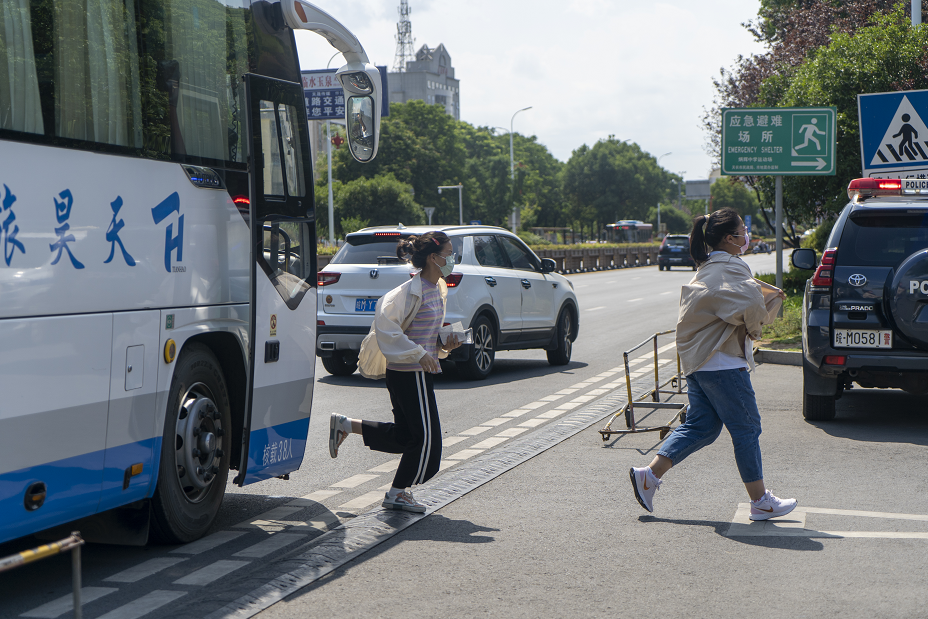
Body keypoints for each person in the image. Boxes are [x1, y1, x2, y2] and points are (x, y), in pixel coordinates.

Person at [630, 208, 797, 521]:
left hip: (698, 360)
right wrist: (756, 324)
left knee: (702, 426)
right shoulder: (732, 264)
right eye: (742, 232)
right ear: (729, 239)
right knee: (747, 427)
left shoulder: (706, 266)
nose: (746, 236)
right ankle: (760, 500)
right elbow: (749, 302)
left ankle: (648, 477)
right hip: (721, 362)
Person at [328, 231, 462, 513]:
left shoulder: (438, 288)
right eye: (449, 253)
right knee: (426, 441)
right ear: (433, 258)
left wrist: (444, 343)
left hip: (419, 370)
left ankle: (346, 424)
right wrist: (420, 354)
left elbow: (426, 334)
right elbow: (386, 329)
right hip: (408, 372)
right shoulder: (407, 292)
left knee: (406, 436)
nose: (452, 259)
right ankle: (398, 493)